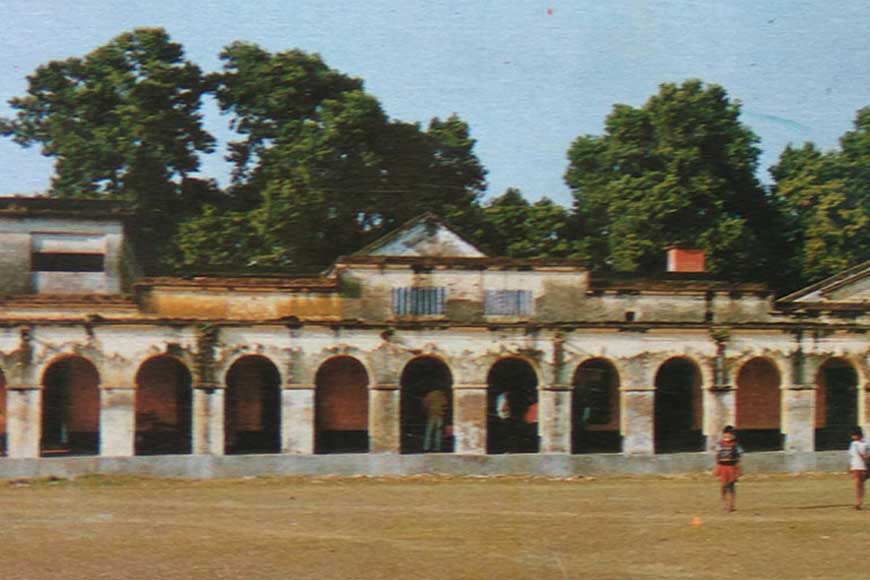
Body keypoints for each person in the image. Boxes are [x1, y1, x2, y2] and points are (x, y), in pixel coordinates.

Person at [714, 425, 743, 513]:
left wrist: (738, 469)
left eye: (729, 435)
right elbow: (717, 456)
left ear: (733, 436)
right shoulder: (720, 444)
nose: (727, 437)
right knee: (723, 486)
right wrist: (717, 467)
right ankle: (724, 504)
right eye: (725, 435)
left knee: (731, 486)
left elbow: (739, 457)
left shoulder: (736, 445)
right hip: (723, 467)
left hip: (731, 467)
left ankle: (731, 505)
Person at [847, 426, 868, 510]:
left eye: (854, 435)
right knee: (857, 484)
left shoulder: (865, 444)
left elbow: (867, 454)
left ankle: (859, 502)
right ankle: (858, 502)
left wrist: (866, 457)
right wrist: (849, 466)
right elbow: (851, 456)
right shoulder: (852, 444)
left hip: (863, 467)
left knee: (861, 485)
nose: (853, 436)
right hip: (855, 466)